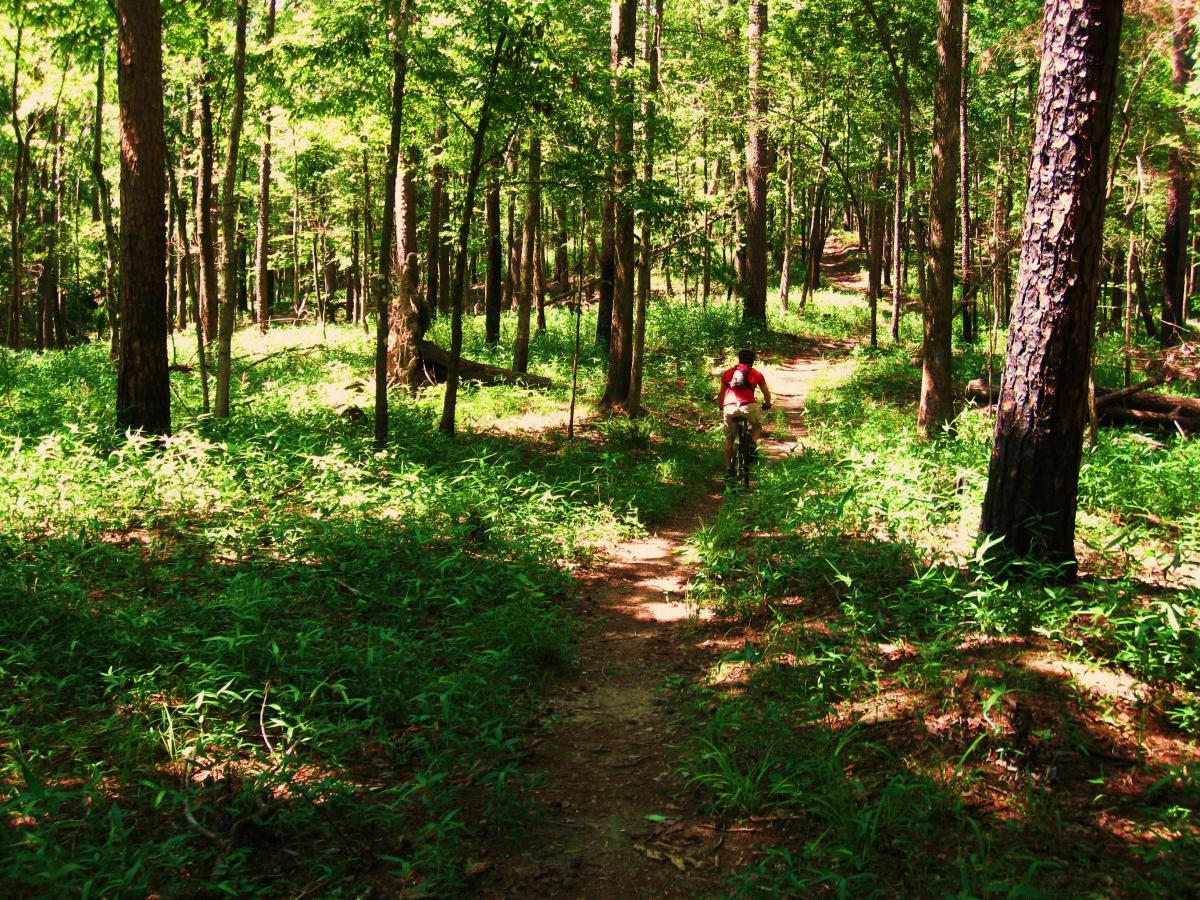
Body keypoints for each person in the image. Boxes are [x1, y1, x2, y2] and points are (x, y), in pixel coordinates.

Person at [718, 349, 772, 477]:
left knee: (730, 438)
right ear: (752, 361)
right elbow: (766, 394)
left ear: (739, 359)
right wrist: (767, 404)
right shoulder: (756, 373)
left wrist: (721, 406)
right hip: (748, 407)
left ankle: (728, 469)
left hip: (730, 408)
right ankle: (752, 443)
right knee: (757, 425)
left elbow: (721, 393)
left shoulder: (728, 373)